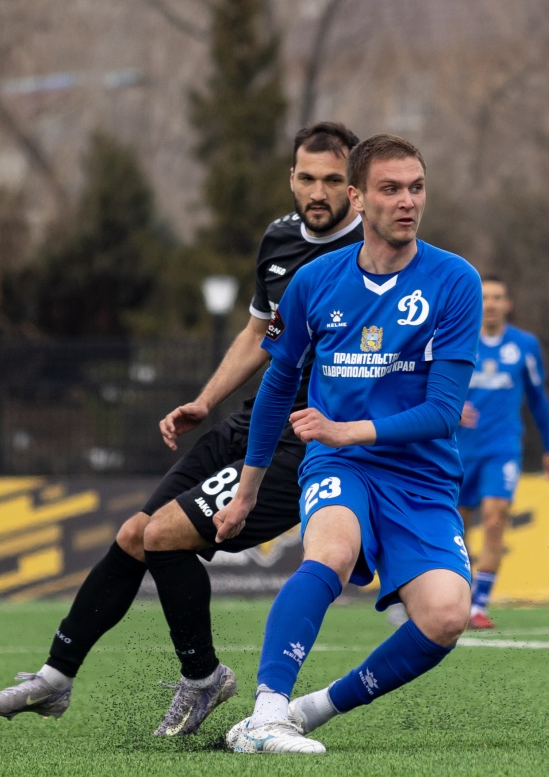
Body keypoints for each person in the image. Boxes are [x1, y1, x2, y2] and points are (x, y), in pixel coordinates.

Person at [0, 122, 363, 735]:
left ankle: (203, 678)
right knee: (136, 533)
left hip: (304, 444)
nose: (318, 192)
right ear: (290, 177)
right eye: (307, 178)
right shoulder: (279, 239)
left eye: (333, 180)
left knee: (164, 535)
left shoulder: (371, 252)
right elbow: (259, 332)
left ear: (355, 187)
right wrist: (205, 401)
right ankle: (55, 678)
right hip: (252, 419)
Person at [213, 134, 481, 755]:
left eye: (416, 188)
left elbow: (443, 413)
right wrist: (247, 491)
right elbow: (277, 385)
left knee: (445, 616)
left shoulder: (454, 280)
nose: (408, 201)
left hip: (421, 477)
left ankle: (312, 709)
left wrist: (344, 427)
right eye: (391, 189)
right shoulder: (313, 281)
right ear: (358, 198)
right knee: (331, 552)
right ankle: (265, 713)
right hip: (341, 463)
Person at [455, 275, 549, 630]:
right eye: (485, 297)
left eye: (498, 297)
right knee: (455, 525)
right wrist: (450, 409)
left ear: (508, 304)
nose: (491, 304)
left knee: (495, 516)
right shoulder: (457, 337)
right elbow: (428, 383)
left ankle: (478, 605)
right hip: (456, 447)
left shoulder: (524, 345)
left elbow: (538, 398)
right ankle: (450, 597)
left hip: (501, 448)